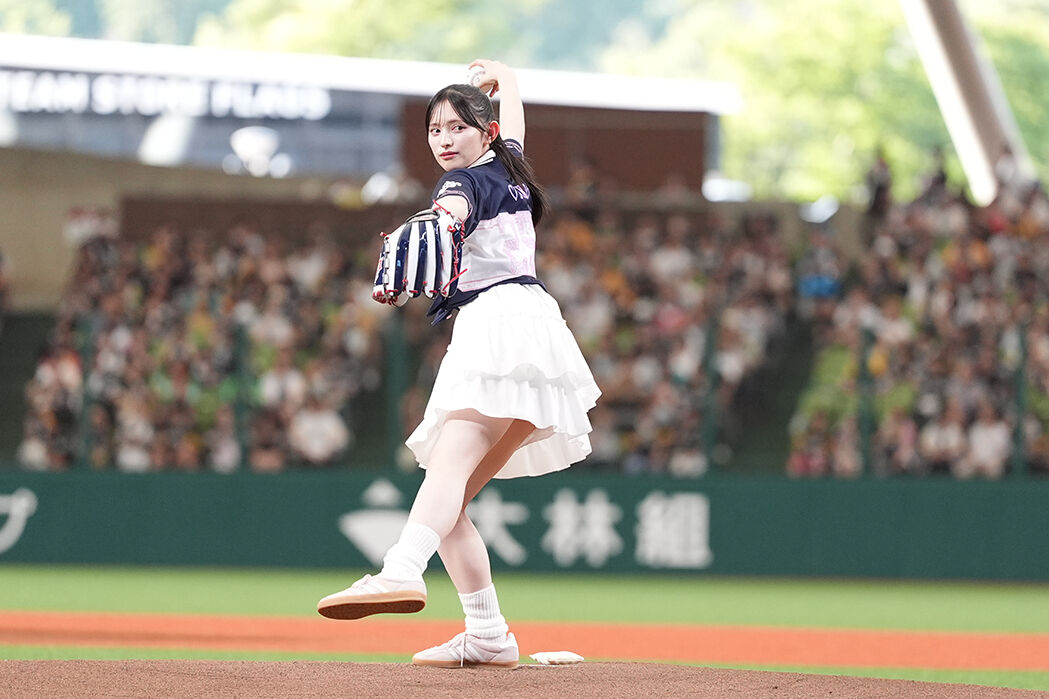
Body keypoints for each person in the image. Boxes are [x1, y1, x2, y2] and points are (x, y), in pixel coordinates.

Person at [316, 60, 601, 669]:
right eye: (435, 129)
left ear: (484, 132)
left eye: (457, 127)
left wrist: (440, 222)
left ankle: (400, 569)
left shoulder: (462, 184)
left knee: (444, 470)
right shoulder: (510, 168)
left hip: (496, 327)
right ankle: (489, 634)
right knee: (449, 503)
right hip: (537, 334)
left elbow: (451, 212)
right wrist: (508, 80)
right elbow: (514, 128)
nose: (444, 138)